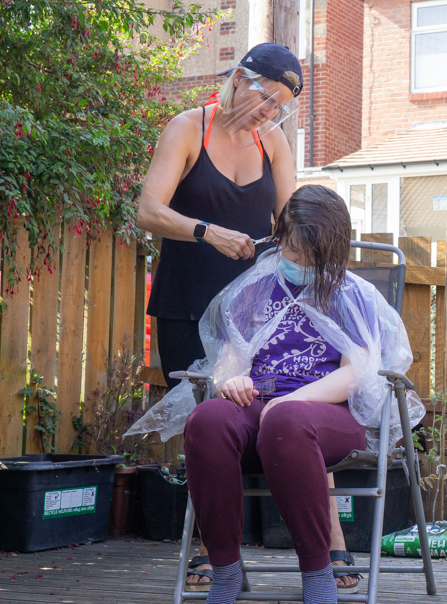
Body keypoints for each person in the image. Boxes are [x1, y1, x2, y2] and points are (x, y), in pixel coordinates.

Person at [135, 43, 358, 593]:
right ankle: (217, 556)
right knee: (212, 421)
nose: (268, 113)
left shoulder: (273, 142)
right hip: (190, 302)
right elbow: (148, 211)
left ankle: (331, 547)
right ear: (240, 78)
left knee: (294, 398)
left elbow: (294, 222)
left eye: (279, 107)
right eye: (265, 98)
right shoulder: (188, 128)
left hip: (260, 309)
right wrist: (207, 231)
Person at [181, 185, 420, 604]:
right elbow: (231, 361)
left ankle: (317, 573)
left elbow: (356, 375)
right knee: (207, 419)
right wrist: (230, 380)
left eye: (311, 260)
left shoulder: (353, 295)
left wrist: (294, 401)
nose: (300, 266)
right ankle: (225, 571)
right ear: (278, 237)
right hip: (259, 405)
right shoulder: (253, 290)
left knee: (286, 419)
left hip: (328, 416)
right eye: (292, 255)